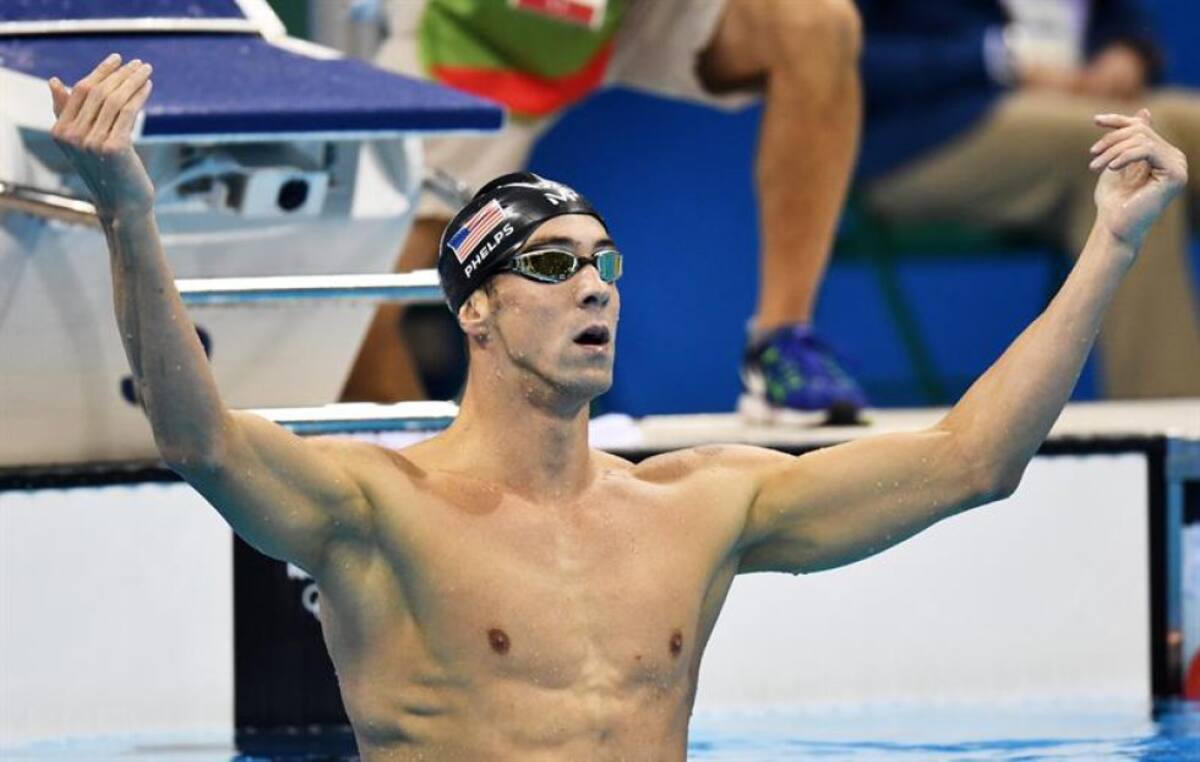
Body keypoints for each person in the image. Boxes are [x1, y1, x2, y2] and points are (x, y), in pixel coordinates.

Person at [51, 53, 1185, 760]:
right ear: (478, 314)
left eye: (605, 264)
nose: (594, 286)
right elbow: (196, 437)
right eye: (551, 266)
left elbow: (970, 460)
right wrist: (127, 217)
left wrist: (1111, 246)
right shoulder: (379, 510)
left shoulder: (702, 505)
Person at [341, 0, 870, 424]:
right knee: (353, 314)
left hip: (620, 15)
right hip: (469, 26)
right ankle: (427, 499)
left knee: (817, 24)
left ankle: (780, 341)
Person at [856, 0, 1200, 398]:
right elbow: (849, 57)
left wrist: (1126, 49)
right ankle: (1179, 442)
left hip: (1083, 102)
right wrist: (993, 59)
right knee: (1127, 157)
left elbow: (1118, 17)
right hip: (932, 129)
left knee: (1172, 131)